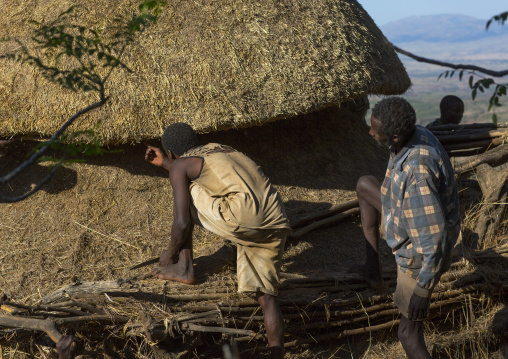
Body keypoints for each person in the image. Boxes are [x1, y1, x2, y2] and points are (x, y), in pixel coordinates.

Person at [144, 123, 291, 358]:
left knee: (186, 188)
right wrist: (167, 164)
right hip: (276, 217)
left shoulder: (180, 166)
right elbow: (194, 166)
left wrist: (169, 254)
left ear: (172, 153)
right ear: (197, 140)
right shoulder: (222, 148)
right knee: (268, 298)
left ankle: (184, 268)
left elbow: (182, 223)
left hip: (243, 216)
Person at [353, 97, 460, 358]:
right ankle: (373, 269)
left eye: (375, 131)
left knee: (408, 335)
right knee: (364, 184)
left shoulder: (417, 172)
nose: (370, 133)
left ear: (396, 136)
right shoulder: (416, 134)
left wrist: (422, 290)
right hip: (407, 214)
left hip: (416, 258)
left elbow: (433, 243)